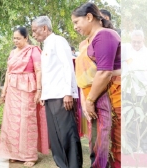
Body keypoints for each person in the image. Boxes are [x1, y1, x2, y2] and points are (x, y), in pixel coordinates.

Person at [72, 2, 121, 167]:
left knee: (109, 142)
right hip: (93, 96)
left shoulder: (104, 35)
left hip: (108, 97)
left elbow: (104, 72)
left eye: (76, 22)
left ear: (89, 17)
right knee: (96, 141)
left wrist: (90, 100)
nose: (75, 27)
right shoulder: (88, 40)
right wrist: (87, 100)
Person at [32, 16, 83, 168]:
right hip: (50, 96)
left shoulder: (58, 41)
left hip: (61, 96)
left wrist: (68, 93)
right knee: (55, 137)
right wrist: (43, 94)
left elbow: (67, 66)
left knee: (67, 134)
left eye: (35, 31)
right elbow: (50, 73)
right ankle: (62, 165)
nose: (34, 35)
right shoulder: (46, 46)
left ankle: (73, 165)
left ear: (45, 28)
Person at [0, 27, 49, 167]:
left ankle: (30, 156)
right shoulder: (13, 52)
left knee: (27, 121)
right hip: (13, 90)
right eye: (14, 38)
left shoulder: (33, 50)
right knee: (12, 122)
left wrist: (39, 90)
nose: (15, 41)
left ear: (26, 38)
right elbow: (8, 72)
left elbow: (38, 70)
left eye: (18, 38)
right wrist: (4, 90)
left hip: (28, 89)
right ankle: (15, 154)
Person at [122, 30, 147, 153]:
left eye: (139, 42)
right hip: (128, 91)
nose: (136, 44)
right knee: (129, 120)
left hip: (143, 93)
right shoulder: (126, 49)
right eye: (134, 42)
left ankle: (144, 146)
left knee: (143, 120)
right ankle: (131, 146)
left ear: (143, 40)